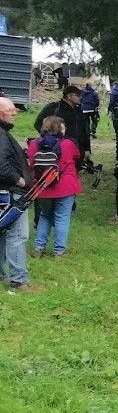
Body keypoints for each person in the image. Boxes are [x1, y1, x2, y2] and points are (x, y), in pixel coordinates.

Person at [27, 116, 82, 258]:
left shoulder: (34, 144)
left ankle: (39, 248)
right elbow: (76, 156)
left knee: (45, 216)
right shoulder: (67, 144)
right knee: (62, 218)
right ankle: (59, 251)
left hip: (43, 187)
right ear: (59, 129)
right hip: (65, 186)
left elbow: (31, 161)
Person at [1, 96, 41, 293]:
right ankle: (19, 281)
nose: (15, 112)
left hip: (6, 193)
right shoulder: (0, 135)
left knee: (2, 234)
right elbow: (1, 166)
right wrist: (21, 180)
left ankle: (2, 275)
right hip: (12, 194)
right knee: (18, 236)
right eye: (10, 110)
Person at [34, 85, 90, 160]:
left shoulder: (78, 110)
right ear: (69, 96)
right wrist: (49, 138)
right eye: (77, 95)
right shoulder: (54, 108)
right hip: (59, 150)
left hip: (78, 150)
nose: (80, 97)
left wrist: (87, 149)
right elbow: (38, 124)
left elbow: (84, 130)